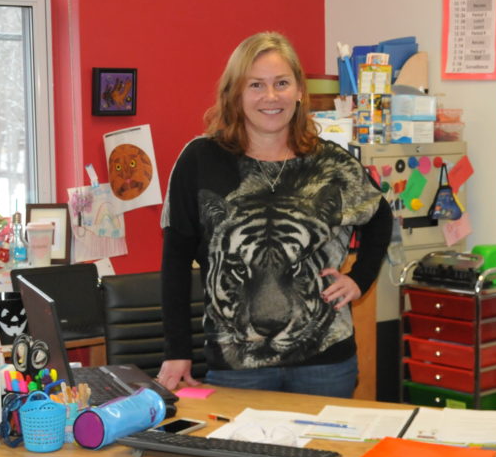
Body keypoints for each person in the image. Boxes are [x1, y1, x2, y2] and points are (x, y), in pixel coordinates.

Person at [156, 31, 392, 397]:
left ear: (299, 91)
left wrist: (359, 278)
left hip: (325, 363)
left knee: (329, 453)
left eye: (281, 83)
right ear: (236, 93)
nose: (271, 97)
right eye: (256, 85)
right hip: (237, 365)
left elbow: (380, 216)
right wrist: (176, 351)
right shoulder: (200, 160)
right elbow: (174, 260)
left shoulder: (330, 163)